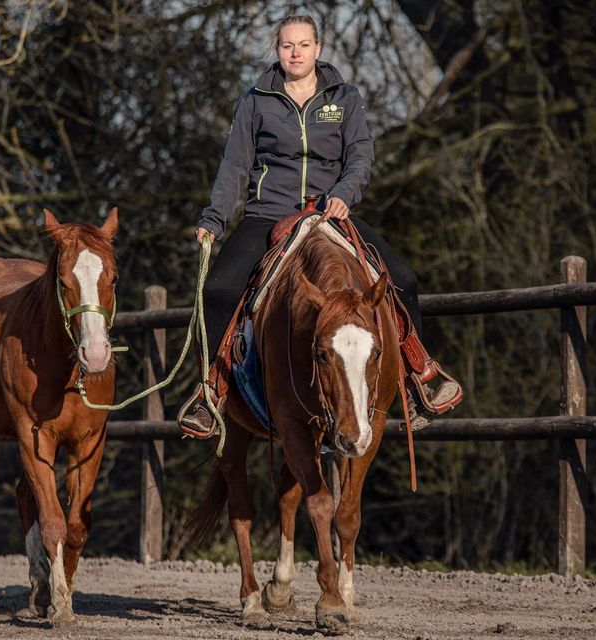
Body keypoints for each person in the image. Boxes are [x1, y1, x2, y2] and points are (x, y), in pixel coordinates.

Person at [179, 14, 459, 436]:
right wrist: (213, 220)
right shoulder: (255, 99)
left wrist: (344, 195)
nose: (296, 53)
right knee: (218, 290)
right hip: (268, 212)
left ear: (318, 49)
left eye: (304, 45)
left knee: (403, 277)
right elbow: (235, 164)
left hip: (331, 211)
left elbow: (361, 155)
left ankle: (417, 377)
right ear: (278, 50)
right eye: (288, 46)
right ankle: (210, 393)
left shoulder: (345, 97)